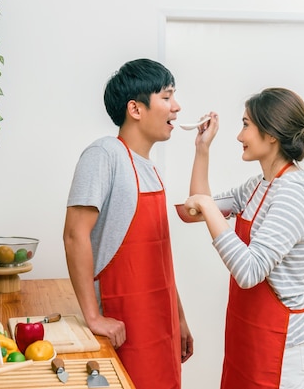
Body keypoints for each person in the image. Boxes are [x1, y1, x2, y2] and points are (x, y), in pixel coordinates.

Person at [181, 87, 304, 389]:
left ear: (271, 135)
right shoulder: (258, 186)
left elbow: (250, 272)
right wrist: (202, 149)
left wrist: (208, 207)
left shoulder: (294, 191)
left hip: (280, 345)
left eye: (245, 125)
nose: (239, 136)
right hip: (247, 336)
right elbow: (194, 208)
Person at [63, 58, 194, 388]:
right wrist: (93, 317)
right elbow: (74, 234)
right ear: (135, 109)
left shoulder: (150, 167)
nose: (176, 107)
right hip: (125, 321)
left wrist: (177, 316)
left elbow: (160, 259)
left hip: (159, 321)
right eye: (166, 97)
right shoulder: (104, 154)